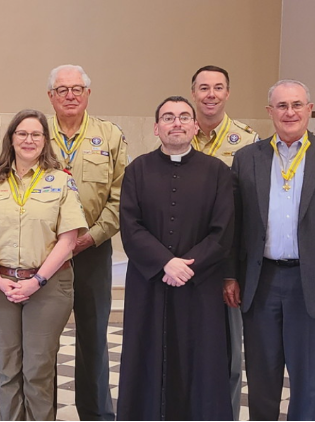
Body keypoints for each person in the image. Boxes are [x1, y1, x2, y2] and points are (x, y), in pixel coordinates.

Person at [232, 80, 315, 421]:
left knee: (308, 380)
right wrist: (230, 275)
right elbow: (235, 224)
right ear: (270, 112)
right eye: (281, 106)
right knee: (261, 377)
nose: (289, 112)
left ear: (309, 109)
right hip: (260, 281)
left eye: (296, 105)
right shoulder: (247, 158)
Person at [117, 96, 234, 421]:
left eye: (184, 117)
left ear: (196, 126)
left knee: (202, 360)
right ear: (156, 128)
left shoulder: (217, 172)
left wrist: (188, 265)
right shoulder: (137, 169)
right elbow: (130, 225)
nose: (177, 123)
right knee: (146, 355)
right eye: (168, 118)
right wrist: (165, 263)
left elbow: (222, 231)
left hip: (200, 285)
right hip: (149, 282)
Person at [0, 109, 88, 421]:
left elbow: (69, 238)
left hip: (48, 286)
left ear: (45, 141)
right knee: (7, 368)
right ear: (11, 138)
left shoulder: (61, 181)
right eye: (22, 133)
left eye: (36, 134)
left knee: (38, 368)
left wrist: (36, 281)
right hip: (2, 285)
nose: (29, 140)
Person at [46, 64, 127, 421]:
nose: (70, 95)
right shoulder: (33, 131)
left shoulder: (109, 136)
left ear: (88, 93)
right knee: (41, 342)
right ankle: (39, 412)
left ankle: (96, 415)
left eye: (77, 89)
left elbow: (121, 197)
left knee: (93, 339)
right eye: (62, 90)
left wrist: (89, 238)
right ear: (50, 96)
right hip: (44, 255)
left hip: (93, 250)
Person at [189, 64, 258, 420]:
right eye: (203, 88)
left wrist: (235, 270)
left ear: (228, 93)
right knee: (187, 350)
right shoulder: (179, 134)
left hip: (227, 262)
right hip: (185, 261)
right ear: (193, 94)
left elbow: (251, 212)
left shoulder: (248, 142)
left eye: (218, 87)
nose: (210, 94)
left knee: (229, 355)